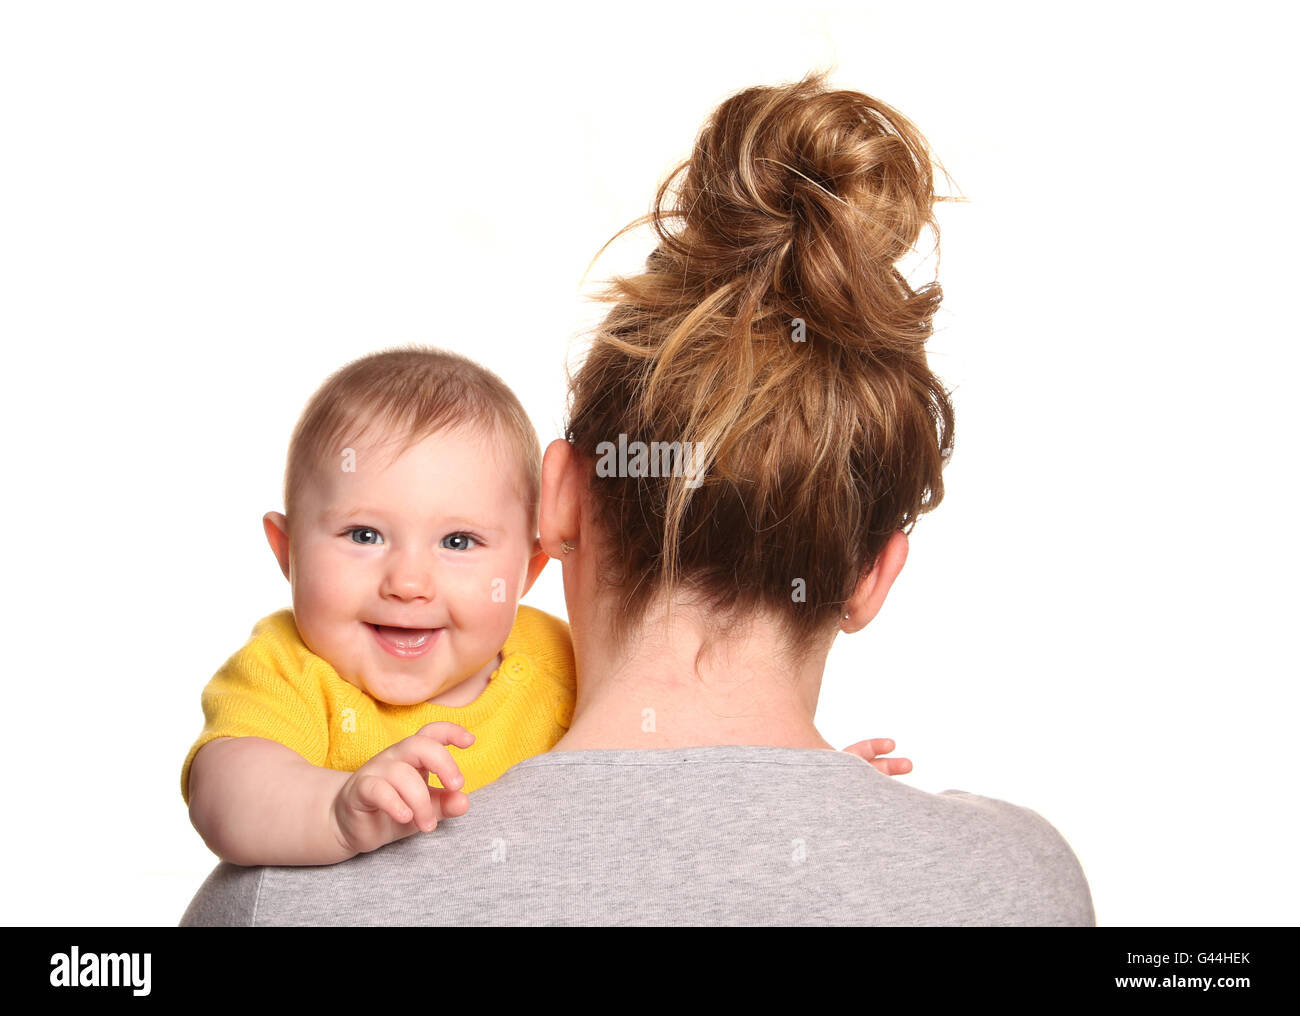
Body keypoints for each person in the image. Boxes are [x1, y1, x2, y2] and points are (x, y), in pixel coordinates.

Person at [181, 71, 1094, 924]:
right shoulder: (1027, 886)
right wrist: (829, 806)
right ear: (871, 574)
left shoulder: (282, 902)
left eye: (455, 542)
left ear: (561, 501)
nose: (411, 583)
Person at [181, 347, 908, 866]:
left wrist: (802, 790)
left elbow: (675, 777)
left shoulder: (554, 657)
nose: (408, 581)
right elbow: (227, 792)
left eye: (459, 542)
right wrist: (335, 811)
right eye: (363, 535)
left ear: (530, 567)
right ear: (286, 551)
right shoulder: (288, 669)